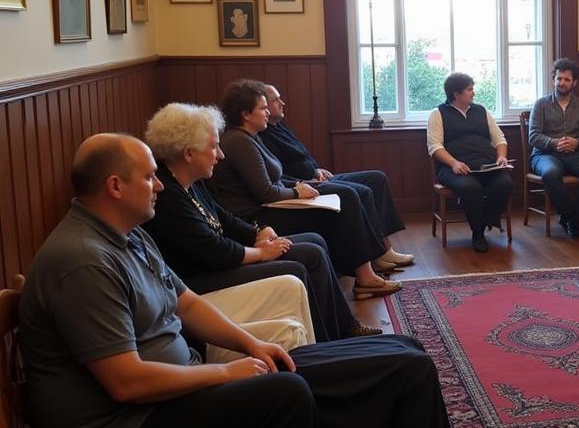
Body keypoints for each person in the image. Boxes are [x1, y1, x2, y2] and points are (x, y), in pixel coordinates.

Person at [20, 134, 490, 428]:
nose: (159, 184)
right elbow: (126, 382)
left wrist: (250, 345)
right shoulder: (83, 260)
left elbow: (186, 302)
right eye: (149, 176)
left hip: (166, 396)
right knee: (283, 397)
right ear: (115, 186)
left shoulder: (126, 233)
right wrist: (224, 373)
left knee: (402, 351)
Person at [144, 103, 380, 343]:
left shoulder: (190, 179)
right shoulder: (168, 196)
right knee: (299, 264)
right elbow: (214, 251)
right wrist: (262, 253)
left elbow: (223, 217)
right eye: (214, 147)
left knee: (314, 243)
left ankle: (342, 330)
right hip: (199, 279)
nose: (220, 155)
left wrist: (257, 232)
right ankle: (326, 343)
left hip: (220, 261)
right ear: (188, 153)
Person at [209, 80, 399, 299]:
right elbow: (266, 192)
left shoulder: (250, 137)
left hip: (269, 207)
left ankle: (364, 275)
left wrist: (298, 185)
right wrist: (298, 192)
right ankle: (365, 278)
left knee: (344, 196)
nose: (267, 112)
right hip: (256, 217)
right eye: (262, 108)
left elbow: (274, 180)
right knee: (345, 197)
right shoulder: (239, 142)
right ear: (246, 114)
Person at [258, 82, 413, 272]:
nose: (282, 103)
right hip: (306, 186)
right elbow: (279, 174)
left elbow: (301, 156)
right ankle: (374, 256)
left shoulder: (279, 126)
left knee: (377, 178)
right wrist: (306, 181)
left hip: (318, 177)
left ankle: (384, 249)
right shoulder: (263, 135)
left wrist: (316, 169)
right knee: (360, 192)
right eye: (274, 100)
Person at [427, 72, 514, 253]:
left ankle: (486, 221)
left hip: (486, 165)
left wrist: (501, 157)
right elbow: (434, 147)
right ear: (456, 94)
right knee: (469, 187)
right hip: (454, 168)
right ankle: (478, 233)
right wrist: (453, 163)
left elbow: (499, 139)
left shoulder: (481, 111)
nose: (473, 93)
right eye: (469, 90)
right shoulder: (438, 114)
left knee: (505, 182)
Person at [527, 58, 579, 238]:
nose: (562, 83)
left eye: (566, 79)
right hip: (545, 155)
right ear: (553, 79)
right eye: (559, 78)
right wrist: (555, 143)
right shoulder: (541, 104)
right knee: (550, 174)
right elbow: (533, 136)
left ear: (574, 82)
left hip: (575, 154)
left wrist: (577, 143)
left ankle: (571, 216)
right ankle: (571, 218)